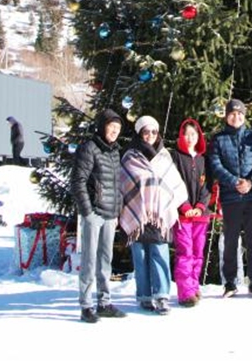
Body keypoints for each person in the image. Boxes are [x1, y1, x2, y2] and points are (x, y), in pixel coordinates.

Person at [119, 116, 188, 315]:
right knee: (140, 256)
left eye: (154, 132)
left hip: (160, 215)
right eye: (146, 132)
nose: (150, 136)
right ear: (140, 133)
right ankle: (144, 296)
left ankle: (162, 295)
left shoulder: (164, 156)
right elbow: (124, 184)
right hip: (138, 215)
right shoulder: (130, 156)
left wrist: (168, 205)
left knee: (160, 253)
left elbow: (175, 186)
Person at [70, 108, 127, 323]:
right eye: (111, 127)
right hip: (94, 214)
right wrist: (88, 211)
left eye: (117, 128)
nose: (114, 132)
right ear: (102, 127)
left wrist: (118, 208)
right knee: (89, 260)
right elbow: (78, 181)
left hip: (111, 214)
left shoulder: (114, 151)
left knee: (106, 260)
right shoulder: (89, 149)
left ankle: (104, 302)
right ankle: (86, 305)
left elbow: (116, 183)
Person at [208, 98, 252, 298]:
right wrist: (234, 181)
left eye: (240, 114)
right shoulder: (218, 139)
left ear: (244, 116)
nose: (236, 117)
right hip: (230, 197)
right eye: (233, 114)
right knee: (230, 241)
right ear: (226, 116)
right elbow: (215, 164)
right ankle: (230, 282)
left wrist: (251, 182)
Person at [170, 117, 210, 308]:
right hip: (182, 215)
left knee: (198, 252)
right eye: (186, 134)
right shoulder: (175, 157)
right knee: (185, 252)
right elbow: (173, 184)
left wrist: (200, 206)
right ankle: (185, 292)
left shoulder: (202, 158)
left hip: (200, 215)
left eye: (193, 134)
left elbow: (207, 186)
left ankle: (193, 286)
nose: (190, 138)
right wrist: (185, 206)